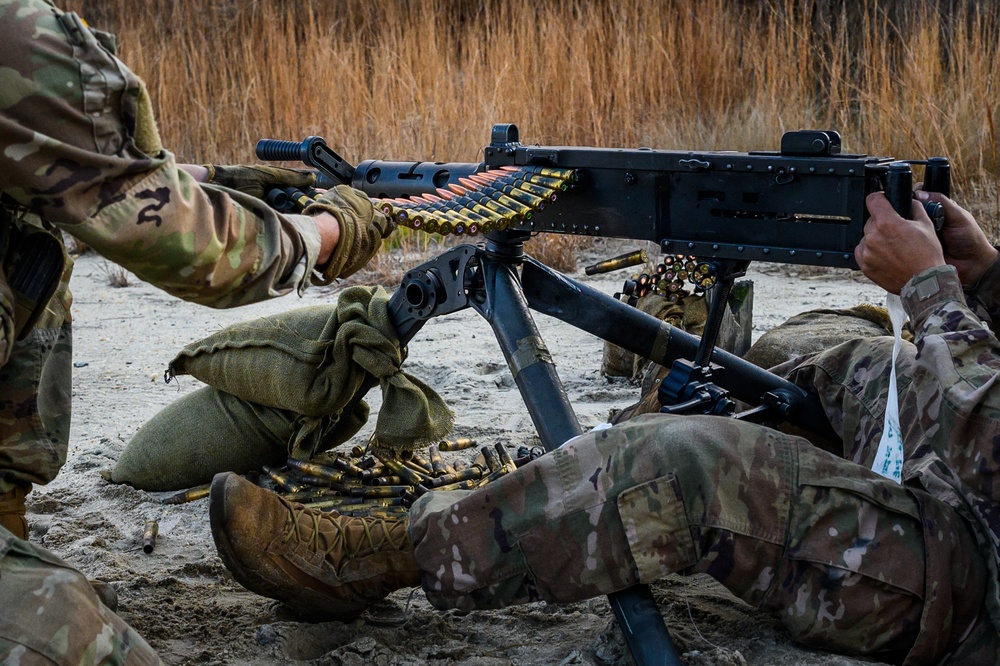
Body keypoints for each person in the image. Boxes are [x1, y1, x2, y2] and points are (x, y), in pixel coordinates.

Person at [209, 186, 1000, 665]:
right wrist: (988, 279)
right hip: (972, 494)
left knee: (683, 468)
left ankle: (378, 560)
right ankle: (598, 482)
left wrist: (931, 292)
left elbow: (983, 432)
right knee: (848, 367)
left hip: (974, 581)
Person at [0, 0, 393, 662]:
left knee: (26, 237)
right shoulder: (17, 34)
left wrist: (213, 182)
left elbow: (66, 172)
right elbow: (199, 255)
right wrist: (326, 235)